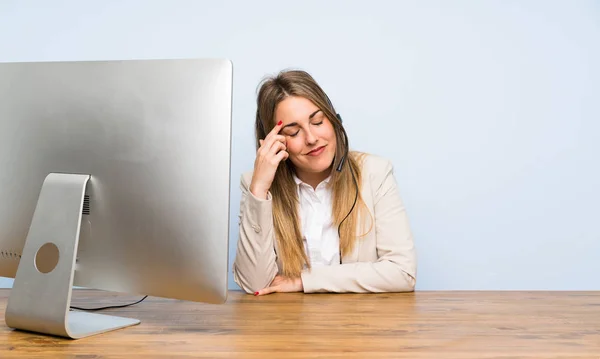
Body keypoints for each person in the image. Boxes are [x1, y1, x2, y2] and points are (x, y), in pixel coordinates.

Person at [233, 69, 416, 296]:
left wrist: (305, 280)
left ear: (334, 120)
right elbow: (256, 284)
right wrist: (259, 190)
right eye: (293, 131)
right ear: (274, 142)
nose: (311, 139)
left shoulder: (375, 174)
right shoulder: (255, 185)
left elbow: (402, 272)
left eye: (317, 121)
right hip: (287, 328)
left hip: (361, 326)